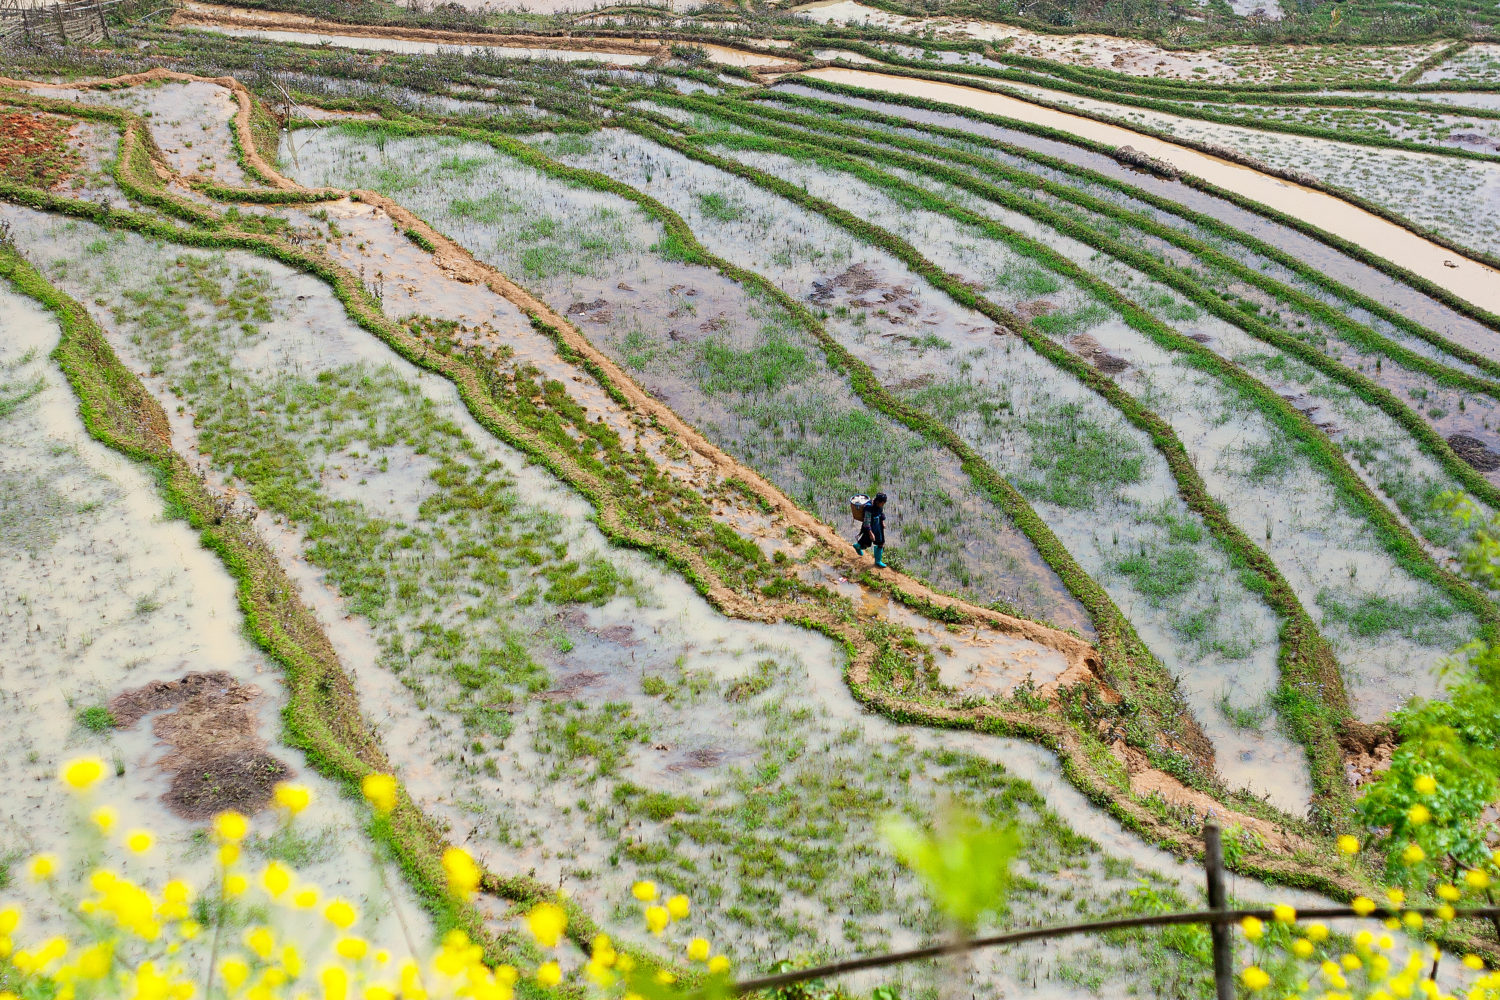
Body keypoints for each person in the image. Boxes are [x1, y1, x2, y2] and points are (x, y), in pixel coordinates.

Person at [854, 492, 888, 568]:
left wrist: (882, 522)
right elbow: (866, 522)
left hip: (878, 526)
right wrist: (870, 533)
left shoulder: (879, 506)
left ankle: (878, 561)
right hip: (869, 528)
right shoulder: (869, 508)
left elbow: (881, 513)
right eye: (882, 503)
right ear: (877, 501)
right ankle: (857, 546)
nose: (882, 505)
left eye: (883, 504)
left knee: (880, 543)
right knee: (865, 544)